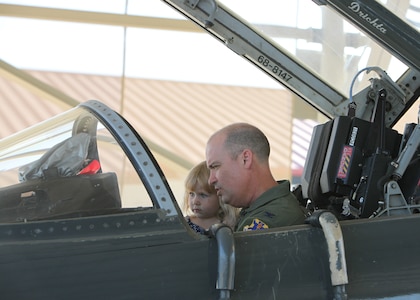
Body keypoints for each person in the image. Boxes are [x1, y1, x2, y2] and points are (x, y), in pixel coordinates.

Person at [206, 122, 306, 231]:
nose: (211, 180)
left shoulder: (269, 221)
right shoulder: (261, 209)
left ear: (246, 159)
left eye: (215, 166)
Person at [183, 161, 238, 234]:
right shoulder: (183, 225)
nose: (195, 201)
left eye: (203, 195)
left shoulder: (229, 224)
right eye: (191, 194)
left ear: (220, 196)